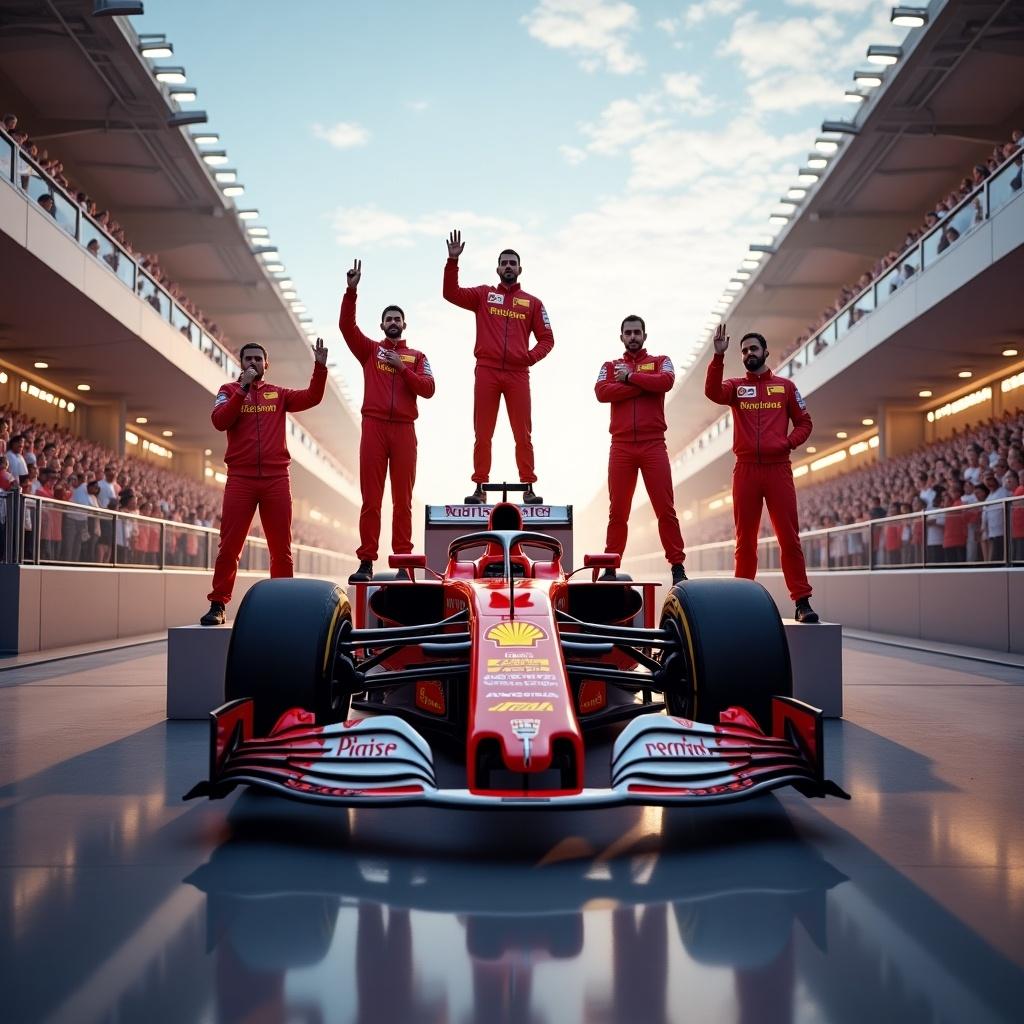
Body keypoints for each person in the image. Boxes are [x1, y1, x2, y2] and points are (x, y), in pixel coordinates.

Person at [200, 338, 328, 625]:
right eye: (249, 359)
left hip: (276, 479)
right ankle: (218, 605)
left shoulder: (278, 394)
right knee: (229, 546)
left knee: (280, 548)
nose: (254, 363)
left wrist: (320, 368)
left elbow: (312, 397)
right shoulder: (228, 391)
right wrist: (242, 390)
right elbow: (220, 421)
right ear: (241, 363)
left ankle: (283, 608)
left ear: (266, 365)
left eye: (258, 359)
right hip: (240, 479)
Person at [705, 324, 818, 623]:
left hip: (778, 468)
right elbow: (713, 392)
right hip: (745, 470)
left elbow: (805, 423)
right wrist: (718, 357)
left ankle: (802, 602)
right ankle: (743, 601)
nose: (748, 354)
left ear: (766, 352)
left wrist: (787, 443)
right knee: (745, 541)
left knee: (788, 538)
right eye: (743, 351)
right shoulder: (735, 386)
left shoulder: (785, 387)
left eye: (753, 349)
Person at [340, 259, 436, 583]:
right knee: (371, 498)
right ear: (382, 326)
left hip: (405, 430)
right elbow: (346, 328)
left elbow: (429, 389)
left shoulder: (417, 357)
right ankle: (366, 561)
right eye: (388, 319)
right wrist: (351, 291)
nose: (393, 323)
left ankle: (404, 563)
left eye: (397, 319)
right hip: (374, 427)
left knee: (403, 501)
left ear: (404, 325)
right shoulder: (369, 351)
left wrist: (402, 367)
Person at [442, 229, 554, 504]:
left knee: (522, 432)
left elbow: (548, 339)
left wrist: (528, 357)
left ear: (520, 269)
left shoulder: (533, 303)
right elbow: (451, 293)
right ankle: (480, 486)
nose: (508, 267)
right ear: (497, 269)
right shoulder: (483, 295)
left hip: (518, 374)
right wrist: (452, 262)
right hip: (487, 370)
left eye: (512, 263)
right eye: (504, 263)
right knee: (482, 431)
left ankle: (528, 486)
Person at [595, 315, 685, 584]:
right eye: (628, 332)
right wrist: (641, 386)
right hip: (621, 446)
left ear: (645, 336)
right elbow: (601, 392)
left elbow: (666, 382)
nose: (633, 336)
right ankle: (611, 564)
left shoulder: (660, 361)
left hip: (653, 443)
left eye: (637, 332)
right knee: (618, 510)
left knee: (665, 508)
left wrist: (631, 378)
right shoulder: (610, 366)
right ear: (621, 337)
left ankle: (677, 566)